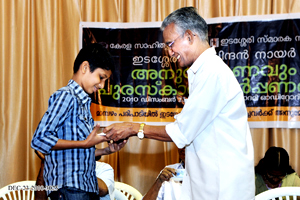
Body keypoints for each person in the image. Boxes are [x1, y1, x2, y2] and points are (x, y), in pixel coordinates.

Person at [103, 6, 255, 199]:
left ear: (190, 37)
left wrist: (134, 128)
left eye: (170, 43)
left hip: (223, 187)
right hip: (209, 183)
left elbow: (181, 132)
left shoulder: (213, 73)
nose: (169, 52)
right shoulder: (203, 73)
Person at [31, 43, 127, 200]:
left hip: (85, 187)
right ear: (84, 67)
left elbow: (74, 154)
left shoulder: (83, 104)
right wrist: (84, 143)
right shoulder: (66, 96)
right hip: (70, 189)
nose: (102, 85)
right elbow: (40, 139)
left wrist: (104, 151)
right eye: (101, 77)